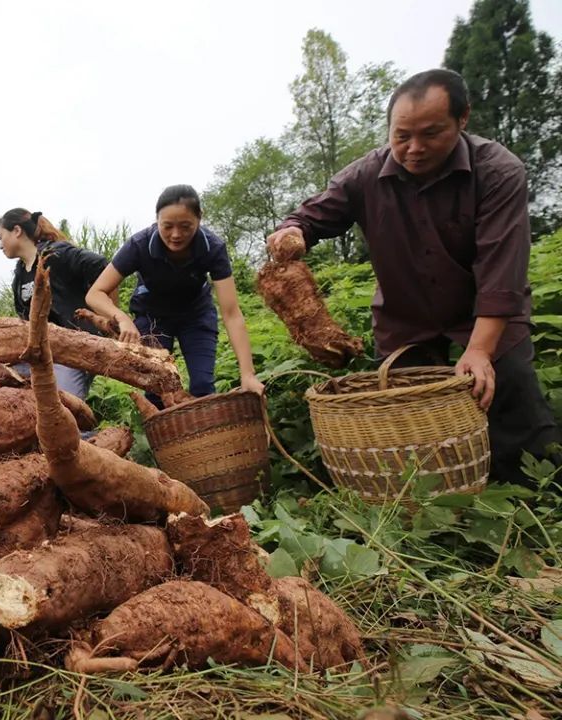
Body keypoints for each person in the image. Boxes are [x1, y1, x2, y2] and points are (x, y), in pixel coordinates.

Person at [265, 68, 561, 485]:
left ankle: (531, 496)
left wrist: (479, 351)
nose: (414, 148)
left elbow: (502, 272)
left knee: (508, 397)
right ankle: (429, 500)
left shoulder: (497, 172)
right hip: (407, 317)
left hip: (484, 313)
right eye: (401, 136)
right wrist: (293, 231)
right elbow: (312, 215)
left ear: (463, 120)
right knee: (404, 416)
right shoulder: (365, 175)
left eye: (431, 134)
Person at [86, 185, 264, 402]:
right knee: (157, 389)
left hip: (196, 314)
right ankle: (164, 433)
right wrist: (122, 318)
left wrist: (248, 375)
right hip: (153, 318)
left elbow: (232, 313)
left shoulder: (213, 248)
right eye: (167, 226)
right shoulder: (139, 245)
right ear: (157, 220)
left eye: (186, 226)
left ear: (199, 219)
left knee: (202, 386)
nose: (176, 235)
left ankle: (208, 435)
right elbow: (95, 293)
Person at [0, 208, 112, 399]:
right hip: (42, 353)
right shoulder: (19, 275)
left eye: (1, 236)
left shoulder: (57, 254)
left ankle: (80, 428)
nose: (0, 245)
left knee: (65, 408)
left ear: (17, 230)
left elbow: (101, 266)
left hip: (75, 350)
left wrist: (107, 317)